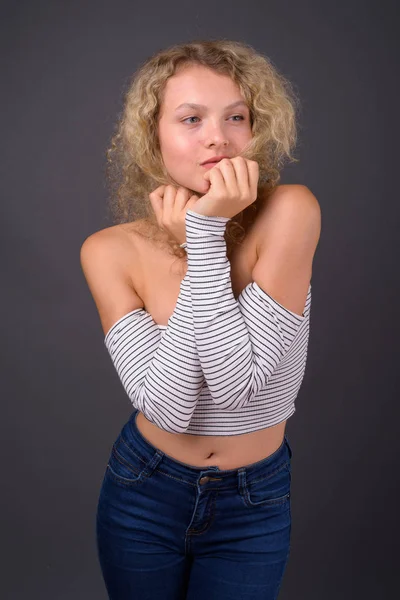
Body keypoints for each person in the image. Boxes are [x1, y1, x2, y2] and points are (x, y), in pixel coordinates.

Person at [80, 39, 321, 600]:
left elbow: (239, 390)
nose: (218, 136)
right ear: (153, 136)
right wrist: (207, 238)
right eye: (191, 119)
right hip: (144, 490)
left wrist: (204, 237)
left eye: (237, 117)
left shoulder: (292, 211)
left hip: (254, 500)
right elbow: (169, 407)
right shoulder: (109, 250)